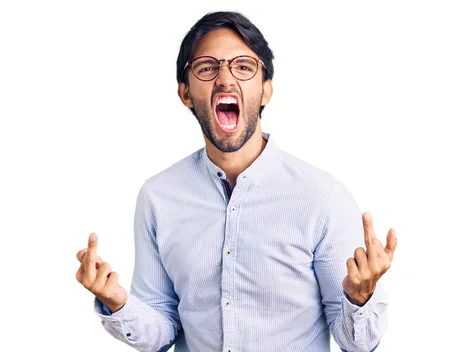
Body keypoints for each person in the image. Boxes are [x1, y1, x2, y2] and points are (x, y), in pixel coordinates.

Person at [75, 11, 397, 352]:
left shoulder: (322, 197)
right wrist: (117, 303)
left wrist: (360, 297)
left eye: (243, 67)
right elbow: (162, 330)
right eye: (207, 67)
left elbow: (356, 343)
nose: (226, 79)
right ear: (185, 93)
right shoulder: (158, 198)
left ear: (266, 90)